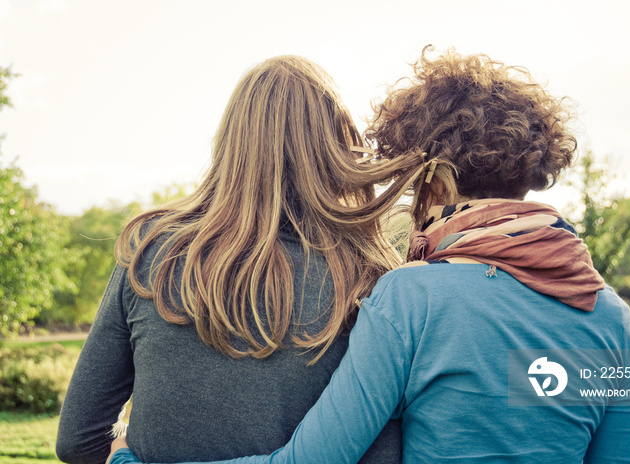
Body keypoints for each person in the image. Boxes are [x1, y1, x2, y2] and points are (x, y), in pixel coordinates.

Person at [108, 48, 630, 464]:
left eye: (413, 186)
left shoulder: (411, 296)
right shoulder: (614, 320)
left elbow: (312, 460)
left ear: (437, 179)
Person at [56, 55, 436, 464]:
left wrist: (128, 450)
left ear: (231, 141)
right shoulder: (369, 275)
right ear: (335, 143)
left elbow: (79, 439)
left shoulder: (152, 250)